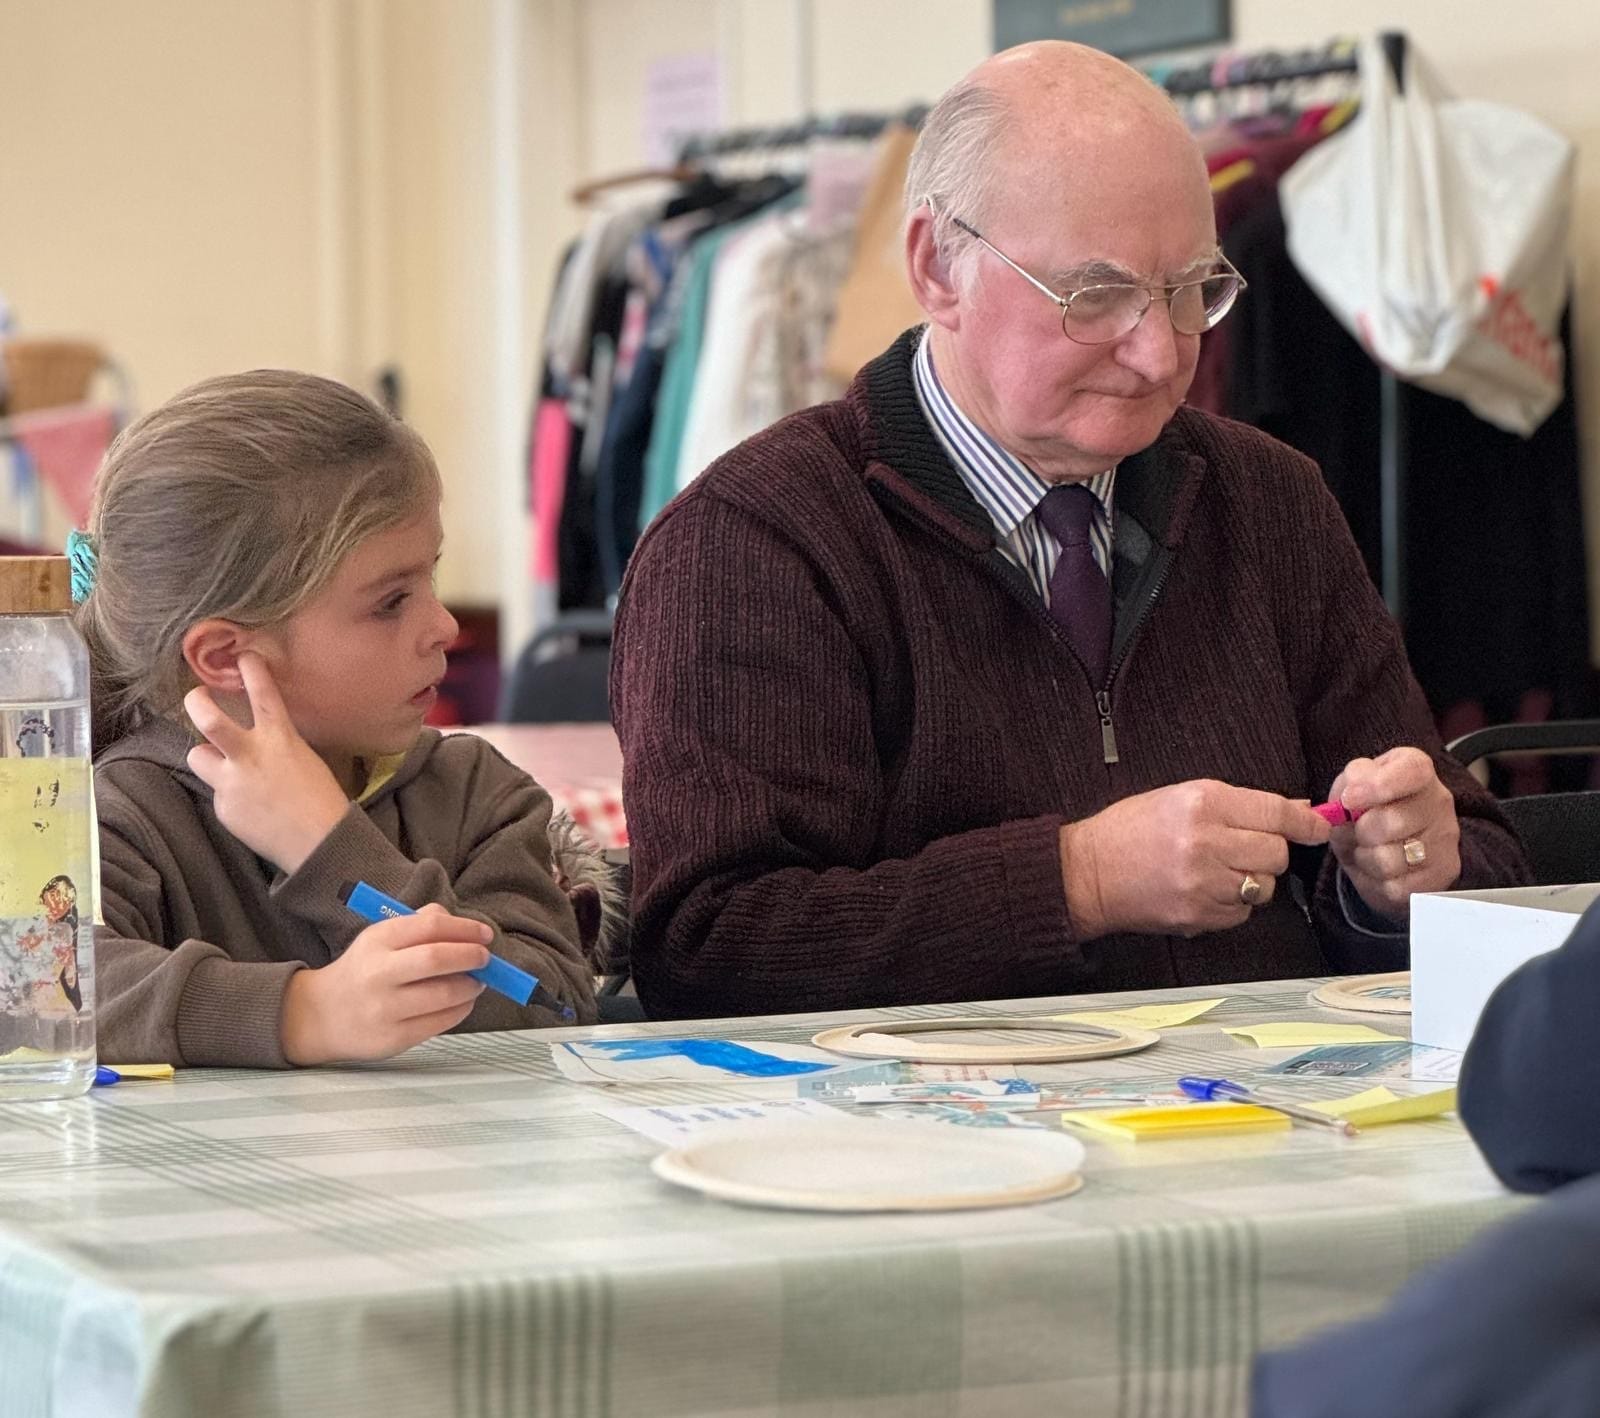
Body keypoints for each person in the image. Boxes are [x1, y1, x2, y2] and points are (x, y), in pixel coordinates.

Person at [611, 41, 1527, 1020]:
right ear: (936, 268)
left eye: (1191, 289)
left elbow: (1482, 856)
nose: (1159, 349)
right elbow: (709, 947)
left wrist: (1411, 873)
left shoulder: (1270, 501)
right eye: (1095, 296)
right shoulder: (752, 543)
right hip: (923, 1157)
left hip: (1274, 1125)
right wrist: (1075, 880)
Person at [75, 371, 597, 1068]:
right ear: (227, 656)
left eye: (430, 578)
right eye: (390, 602)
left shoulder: (475, 793)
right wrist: (303, 1014)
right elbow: (41, 993)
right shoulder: (119, 818)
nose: (442, 625)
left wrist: (331, 848)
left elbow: (554, 1006)